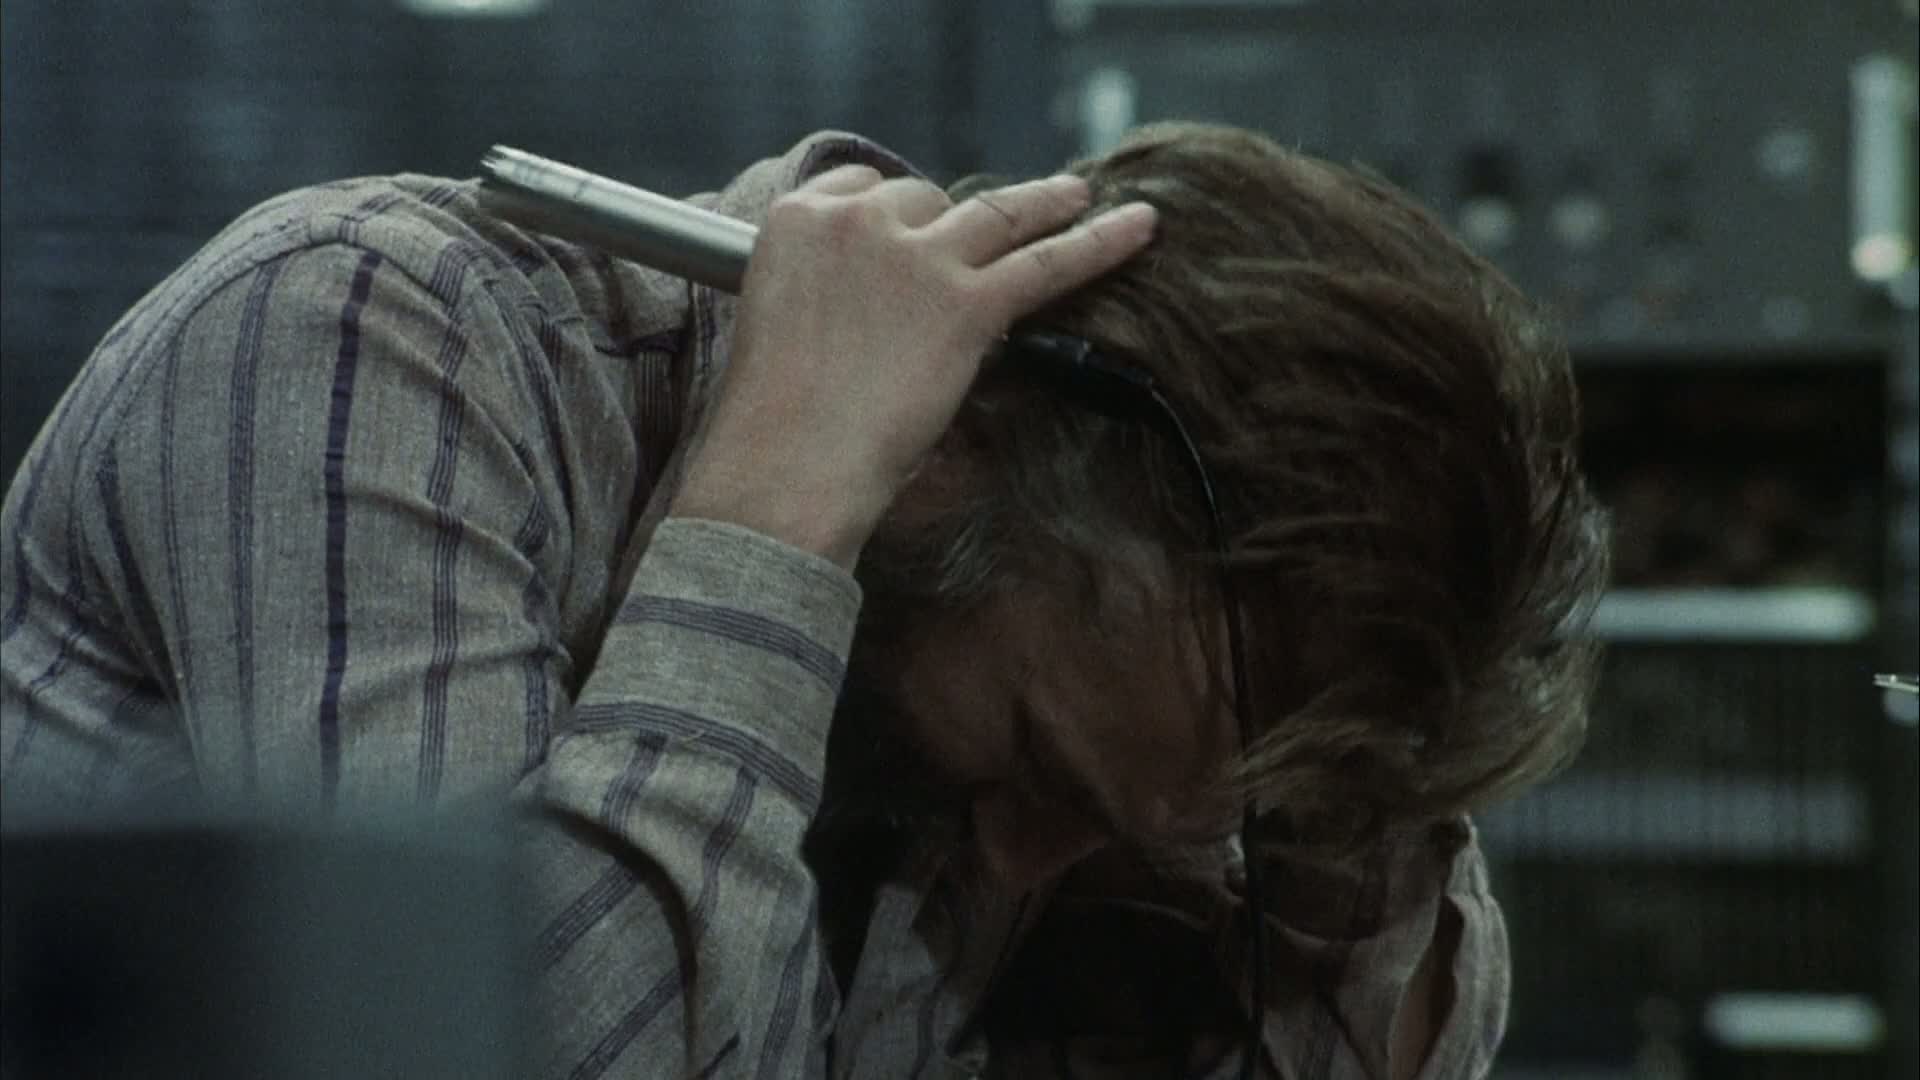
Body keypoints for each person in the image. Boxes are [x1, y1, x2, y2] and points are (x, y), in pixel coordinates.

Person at [1, 122, 1609, 1078]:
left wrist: (1367, 758)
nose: (1025, 867)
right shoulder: (372, 333)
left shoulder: (1057, 691)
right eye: (1042, 769)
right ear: (955, 437)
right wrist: (775, 509)